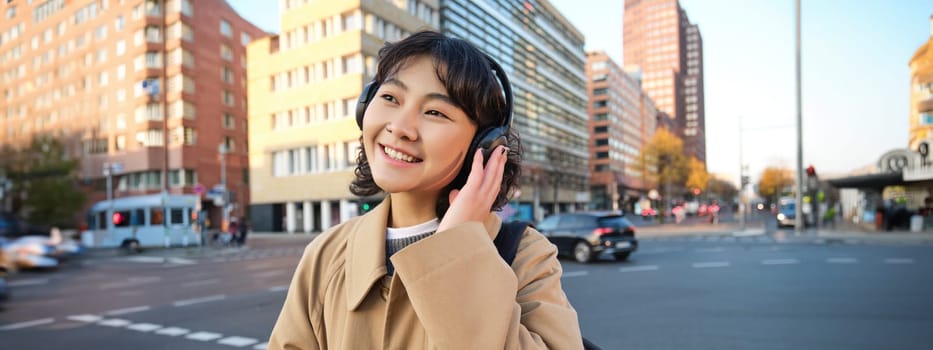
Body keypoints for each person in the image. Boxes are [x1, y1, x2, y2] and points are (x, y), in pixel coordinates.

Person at [268, 31, 583, 349]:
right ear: (365, 107)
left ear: (484, 146)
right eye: (390, 98)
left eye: (435, 112)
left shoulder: (527, 256)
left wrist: (459, 250)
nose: (400, 128)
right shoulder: (327, 254)